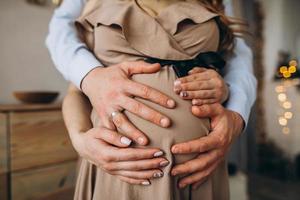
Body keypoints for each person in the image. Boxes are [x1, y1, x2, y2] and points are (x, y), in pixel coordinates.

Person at [46, 0, 257, 199]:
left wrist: (228, 94)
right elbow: (76, 90)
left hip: (198, 173)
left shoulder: (212, 5)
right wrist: (80, 139)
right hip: (120, 173)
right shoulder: (94, 7)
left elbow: (236, 62)